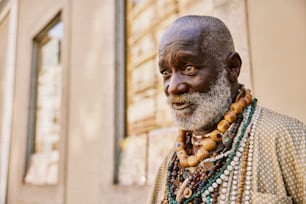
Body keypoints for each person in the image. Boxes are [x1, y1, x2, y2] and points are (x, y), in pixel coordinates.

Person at [148, 15, 306, 204]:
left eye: (189, 68)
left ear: (232, 68)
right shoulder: (172, 162)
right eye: (165, 72)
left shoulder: (285, 137)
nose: (173, 87)